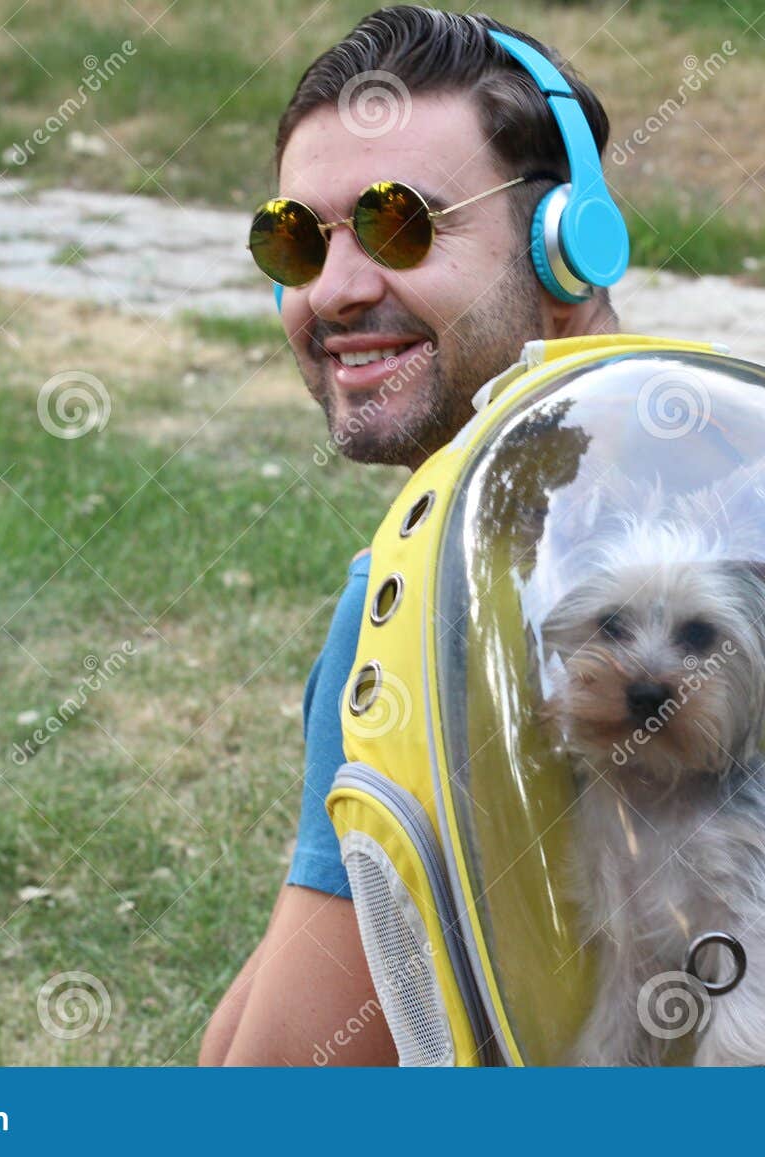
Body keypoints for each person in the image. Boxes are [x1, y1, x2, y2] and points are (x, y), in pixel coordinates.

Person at [199, 5, 621, 1066]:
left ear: (565, 245)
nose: (332, 290)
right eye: (294, 237)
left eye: (401, 224)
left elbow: (280, 1089)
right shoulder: (764, 465)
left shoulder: (434, 595)